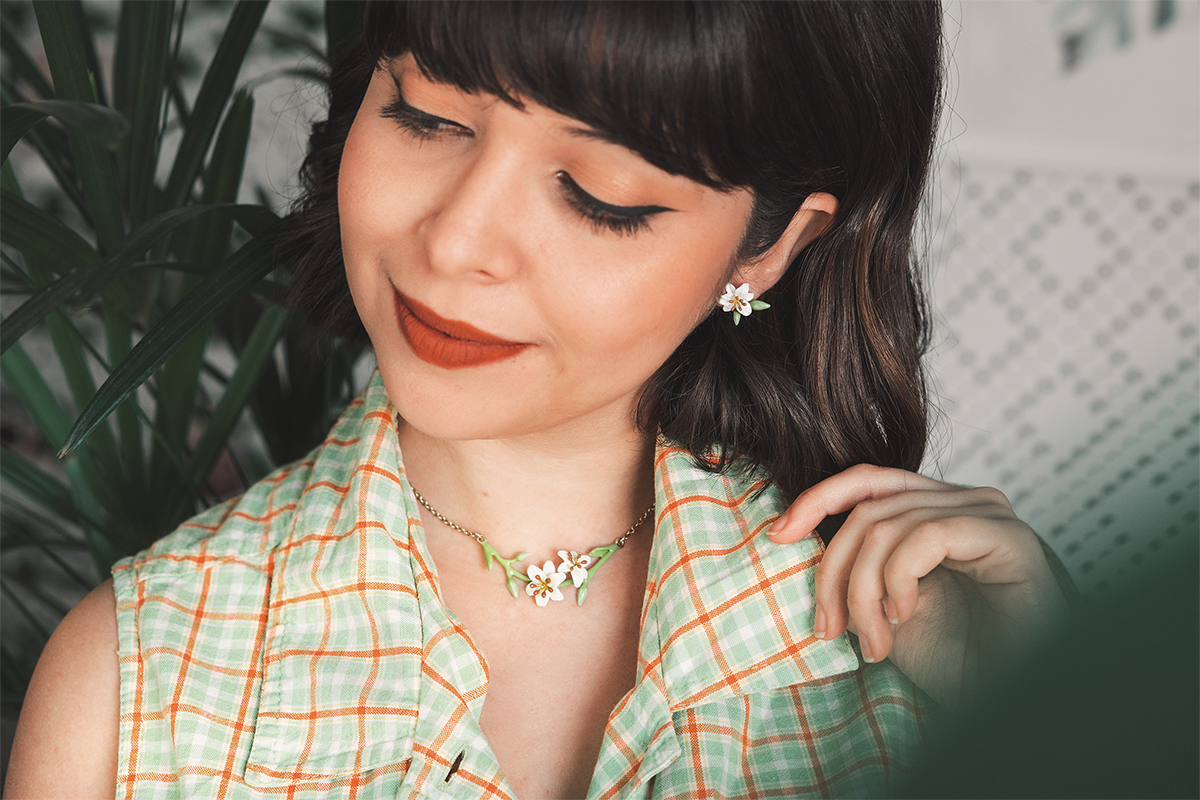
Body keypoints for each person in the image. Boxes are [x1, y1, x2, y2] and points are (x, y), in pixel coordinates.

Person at [5, 1, 1071, 798]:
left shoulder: (939, 653)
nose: (456, 240)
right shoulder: (138, 684)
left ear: (770, 247)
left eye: (597, 196)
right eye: (425, 118)